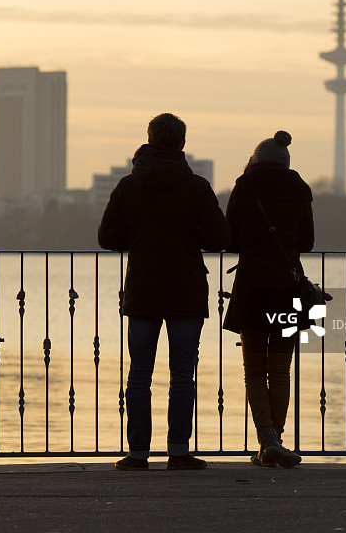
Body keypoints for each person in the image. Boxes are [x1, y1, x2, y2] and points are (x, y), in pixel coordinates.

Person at [98, 112, 230, 471]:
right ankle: (178, 451)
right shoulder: (198, 187)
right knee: (182, 374)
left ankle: (137, 453)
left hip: (142, 288)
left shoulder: (128, 186)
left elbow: (107, 238)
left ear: (150, 140)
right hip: (186, 290)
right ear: (182, 144)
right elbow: (219, 239)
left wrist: (141, 239)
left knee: (139, 373)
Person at [223, 130, 314, 468]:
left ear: (256, 159)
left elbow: (229, 239)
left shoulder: (245, 186)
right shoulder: (300, 189)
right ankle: (275, 441)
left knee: (253, 370)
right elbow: (306, 242)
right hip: (287, 290)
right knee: (279, 370)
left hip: (252, 289)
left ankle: (267, 440)